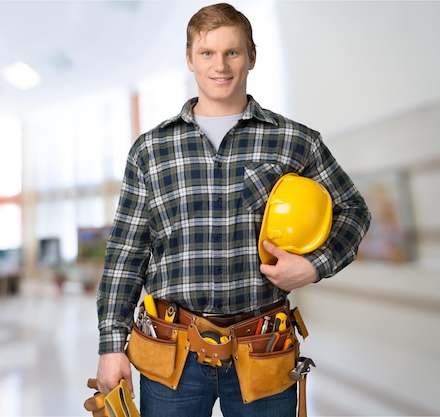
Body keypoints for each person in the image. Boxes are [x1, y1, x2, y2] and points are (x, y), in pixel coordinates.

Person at [95, 3, 371, 417]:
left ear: (252, 57)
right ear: (189, 59)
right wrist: (111, 345)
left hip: (263, 350)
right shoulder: (150, 150)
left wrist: (315, 265)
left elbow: (353, 209)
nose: (219, 65)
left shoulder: (295, 142)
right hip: (172, 353)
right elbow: (125, 255)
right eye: (207, 53)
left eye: (232, 52)